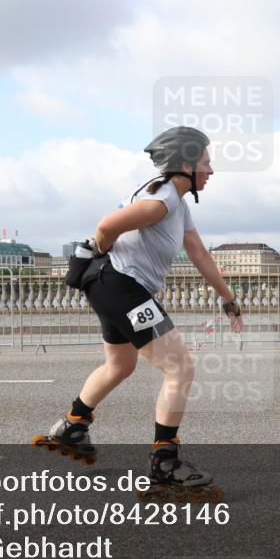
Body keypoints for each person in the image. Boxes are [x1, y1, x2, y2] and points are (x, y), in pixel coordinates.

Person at [33, 126, 243, 500]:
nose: (211, 171)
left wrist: (228, 299)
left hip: (110, 286)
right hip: (121, 286)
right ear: (184, 164)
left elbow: (199, 254)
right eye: (206, 163)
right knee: (180, 367)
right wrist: (97, 249)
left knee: (120, 365)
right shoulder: (162, 200)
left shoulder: (175, 204)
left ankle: (73, 425)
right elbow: (106, 226)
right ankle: (164, 462)